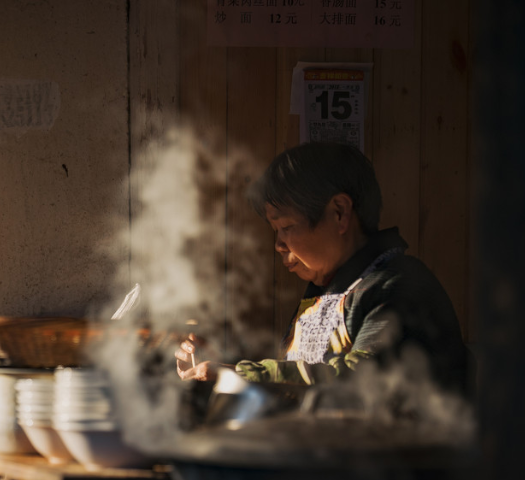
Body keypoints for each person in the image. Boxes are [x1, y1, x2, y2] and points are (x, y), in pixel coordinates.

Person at [176, 141, 468, 392]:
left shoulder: (399, 286)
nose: (278, 245)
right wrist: (219, 363)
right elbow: (298, 375)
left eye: (287, 226)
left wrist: (242, 374)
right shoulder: (326, 290)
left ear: (339, 213)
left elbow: (361, 379)